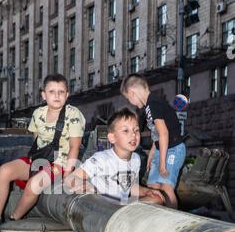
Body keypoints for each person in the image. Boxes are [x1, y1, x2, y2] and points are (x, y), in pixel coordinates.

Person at [0, 73, 85, 226]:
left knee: (34, 185)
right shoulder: (38, 113)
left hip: (61, 163)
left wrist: (68, 173)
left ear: (67, 95)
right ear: (44, 95)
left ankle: (14, 219)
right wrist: (35, 164)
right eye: (52, 92)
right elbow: (36, 141)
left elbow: (74, 146)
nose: (57, 96)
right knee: (4, 171)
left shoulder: (73, 115)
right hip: (39, 159)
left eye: (61, 92)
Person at [65, 107, 164, 205]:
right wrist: (82, 184)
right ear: (112, 138)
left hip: (122, 206)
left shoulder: (136, 159)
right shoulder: (101, 159)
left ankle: (126, 211)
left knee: (157, 199)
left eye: (136, 130)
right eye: (126, 131)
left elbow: (127, 186)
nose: (133, 135)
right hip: (102, 208)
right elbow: (70, 178)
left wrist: (146, 191)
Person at [120, 74, 186, 209]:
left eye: (128, 99)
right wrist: (152, 155)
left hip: (173, 149)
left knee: (166, 188)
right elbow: (157, 135)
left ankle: (174, 221)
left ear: (133, 93)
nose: (130, 102)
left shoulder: (153, 104)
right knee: (152, 188)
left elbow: (164, 133)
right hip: (161, 149)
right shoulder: (149, 106)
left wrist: (162, 163)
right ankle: (154, 217)